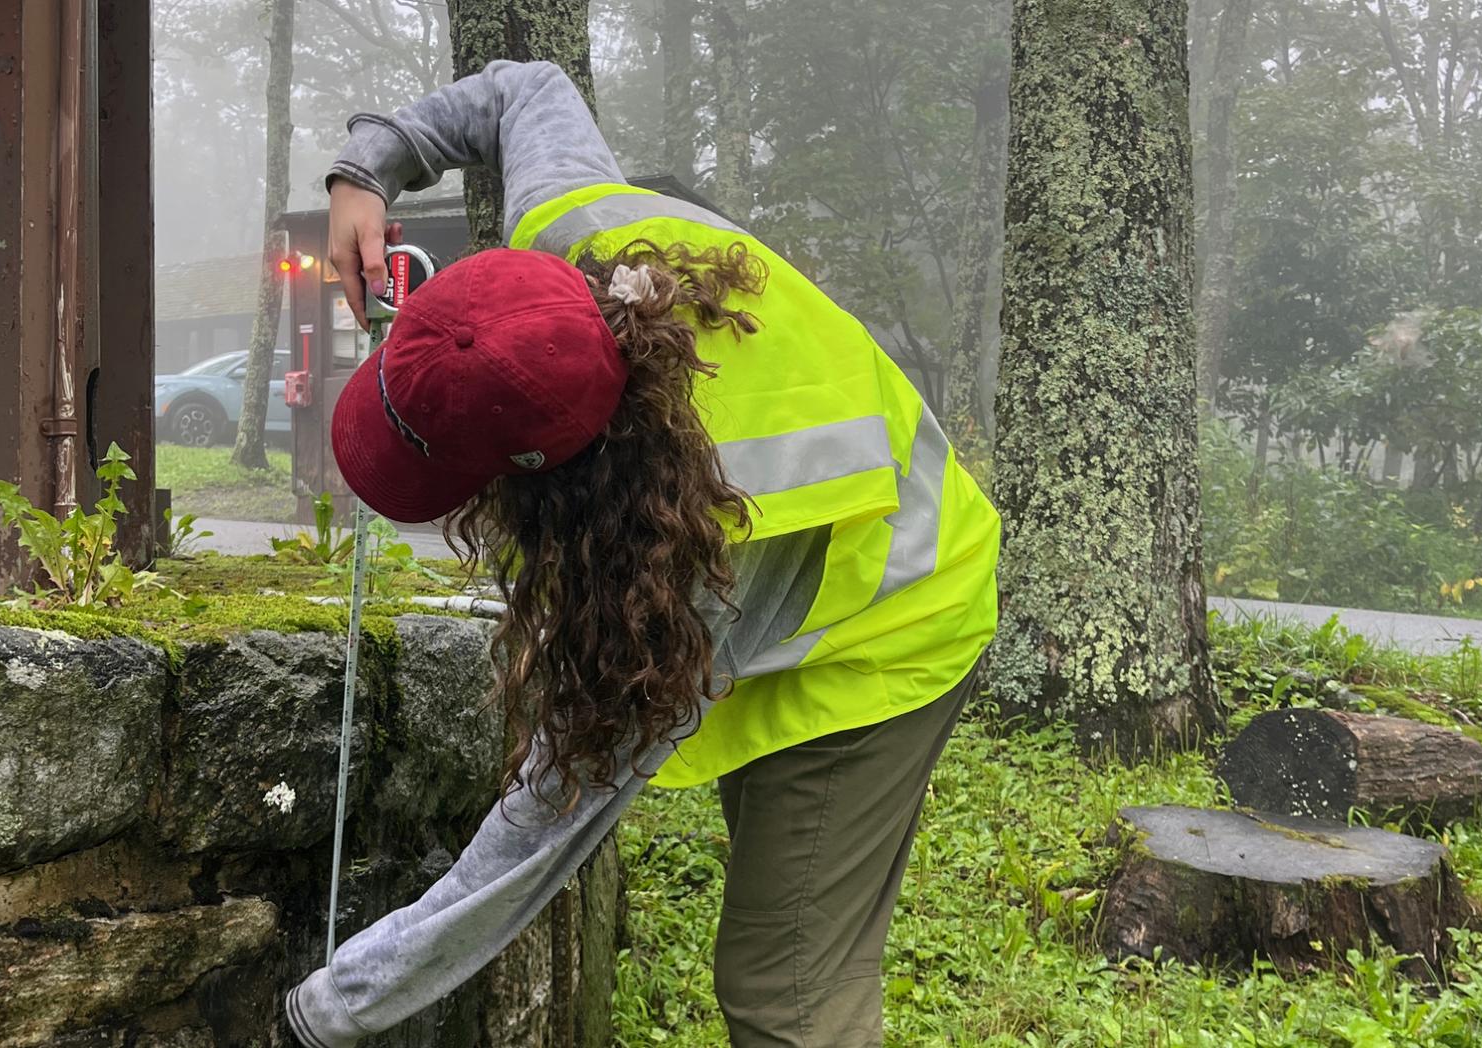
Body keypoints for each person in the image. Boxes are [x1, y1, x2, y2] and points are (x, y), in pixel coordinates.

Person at [287, 60, 1000, 1048]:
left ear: (556, 479)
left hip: (897, 615)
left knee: (784, 984)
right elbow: (526, 89)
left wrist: (327, 1012)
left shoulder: (700, 548)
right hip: (808, 565)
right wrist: (370, 166)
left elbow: (542, 832)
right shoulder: (567, 237)